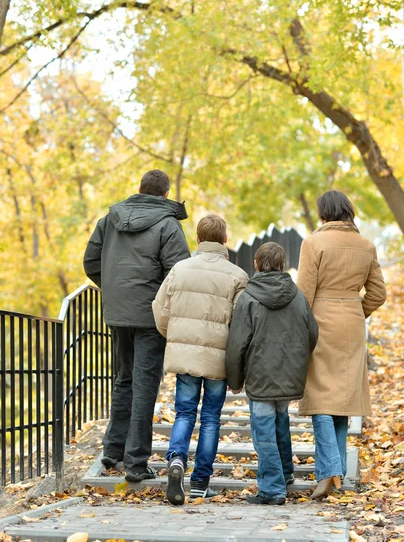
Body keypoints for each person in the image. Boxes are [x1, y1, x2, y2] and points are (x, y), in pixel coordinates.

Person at [83, 169, 190, 482]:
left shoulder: (110, 219)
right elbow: (178, 273)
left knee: (125, 379)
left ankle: (113, 452)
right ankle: (136, 462)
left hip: (118, 313)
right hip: (150, 316)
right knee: (144, 384)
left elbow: (90, 262)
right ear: (166, 194)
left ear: (140, 189)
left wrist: (116, 289)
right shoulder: (168, 224)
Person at [152, 214, 248, 504]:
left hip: (186, 356)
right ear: (224, 240)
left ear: (198, 238)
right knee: (210, 418)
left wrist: (175, 337)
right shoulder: (237, 275)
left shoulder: (179, 269)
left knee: (184, 412)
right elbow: (241, 322)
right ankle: (200, 482)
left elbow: (160, 307)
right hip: (218, 359)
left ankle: (177, 459)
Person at [297, 190, 386, 499]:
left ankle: (329, 472)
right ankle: (337, 475)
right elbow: (378, 293)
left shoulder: (313, 243)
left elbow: (304, 293)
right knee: (342, 402)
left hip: (320, 321)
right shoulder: (366, 245)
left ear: (323, 214)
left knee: (321, 397)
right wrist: (355, 311)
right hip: (351, 323)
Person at [226, 242, 318, 505]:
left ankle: (272, 488)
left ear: (256, 264)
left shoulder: (248, 298)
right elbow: (312, 332)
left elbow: (237, 344)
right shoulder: (298, 295)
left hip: (260, 375)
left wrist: (235, 379)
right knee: (280, 424)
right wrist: (298, 360)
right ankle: (286, 473)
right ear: (281, 263)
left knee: (264, 429)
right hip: (289, 373)